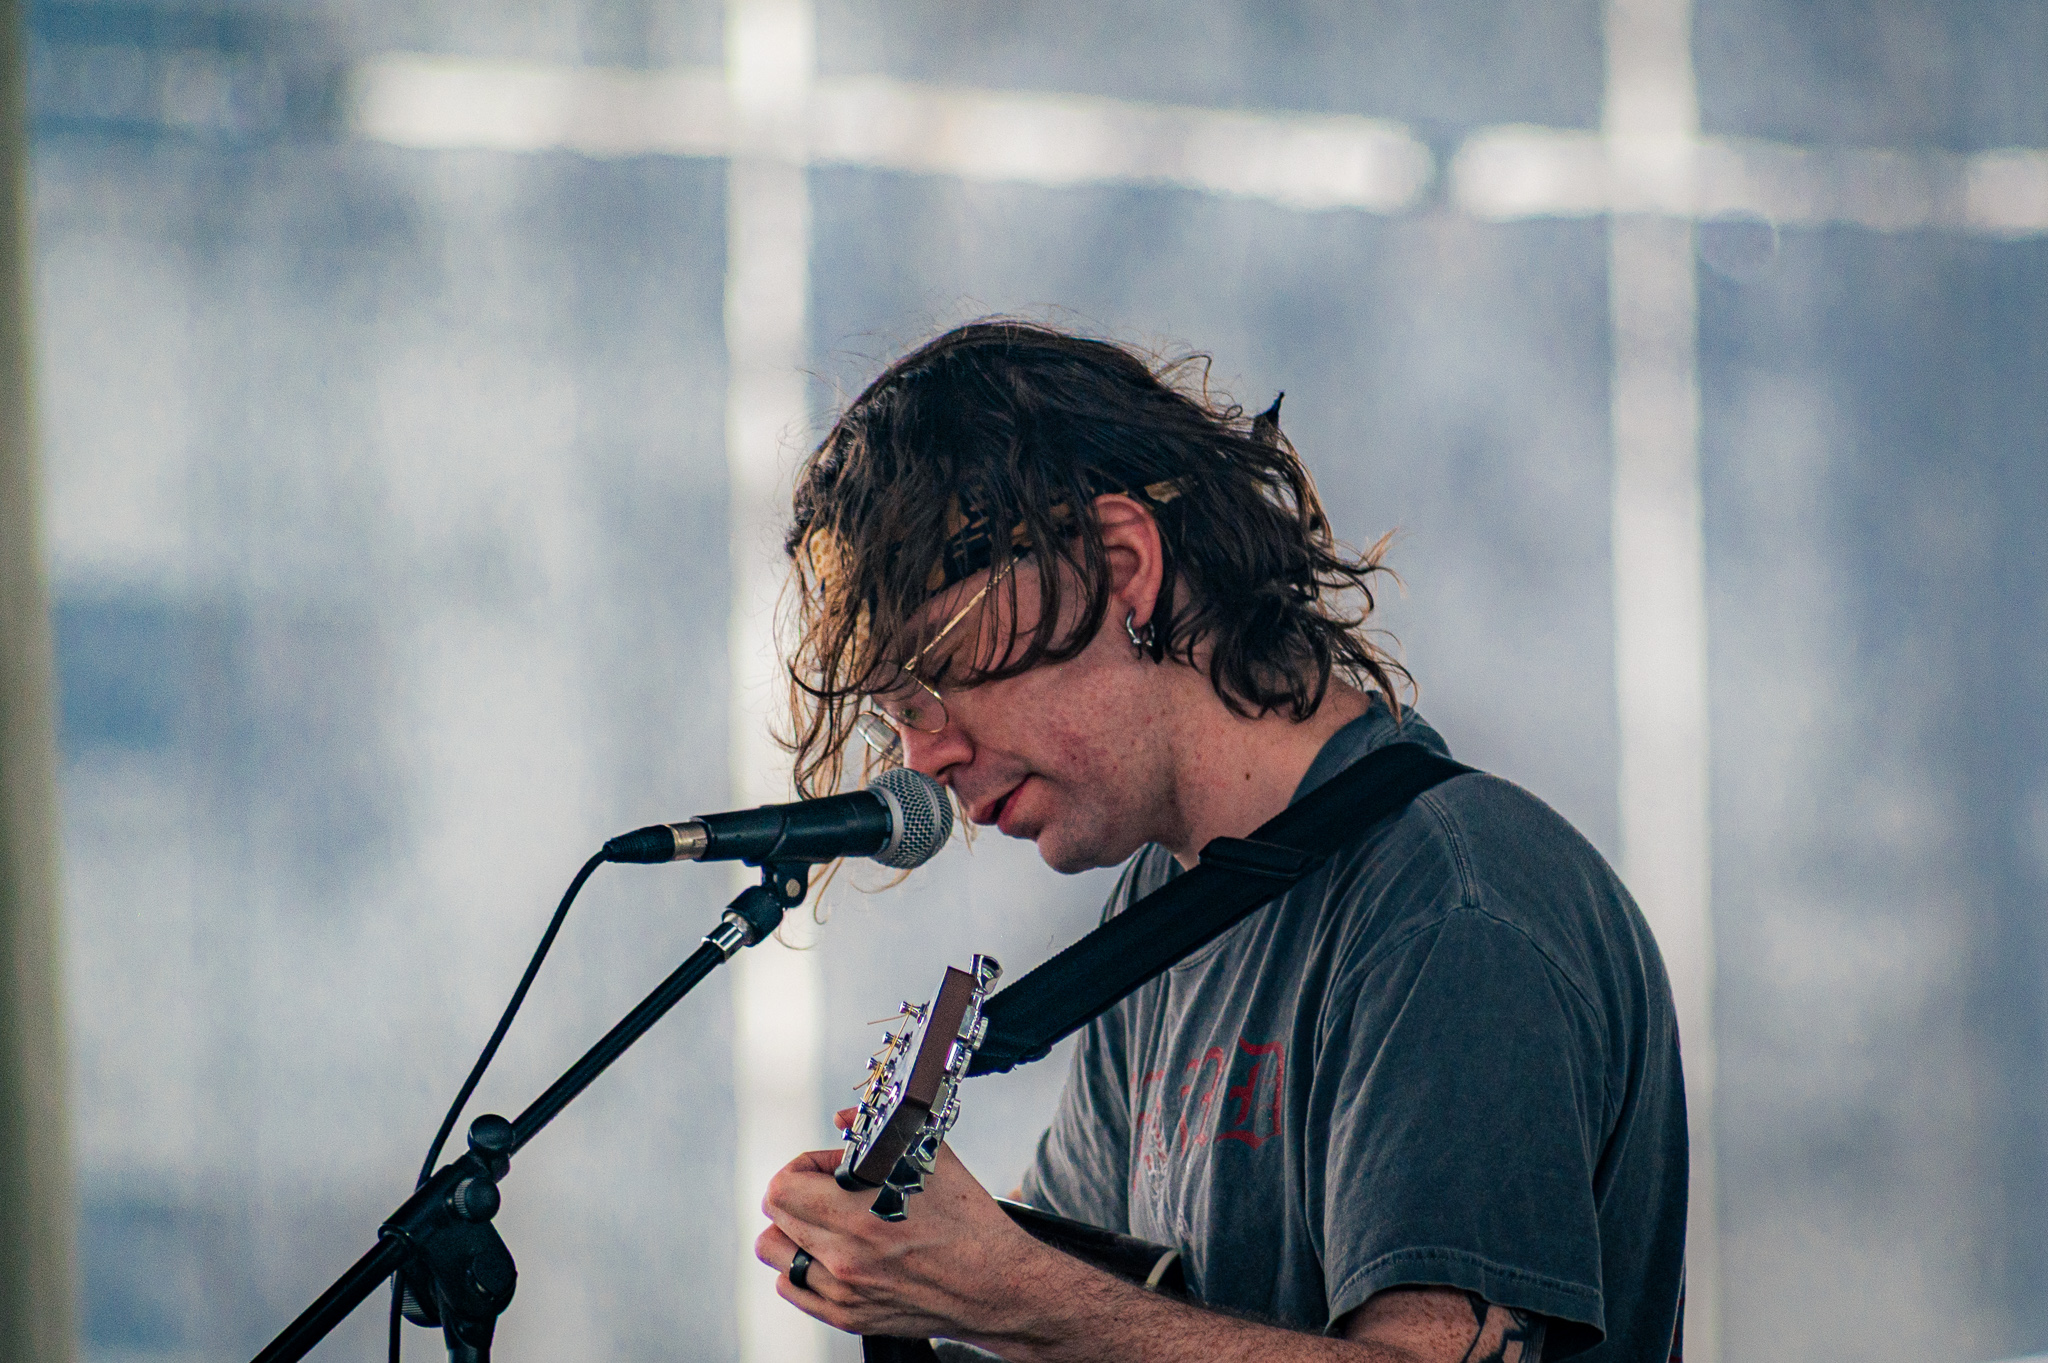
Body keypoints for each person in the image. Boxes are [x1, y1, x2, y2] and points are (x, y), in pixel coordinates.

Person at [754, 320, 1687, 1363]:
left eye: (930, 684)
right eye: (893, 719)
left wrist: (1007, 1291)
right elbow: (1106, 1317)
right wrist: (932, 1285)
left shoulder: (1450, 905)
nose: (923, 759)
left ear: (1120, 568)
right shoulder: (1163, 919)